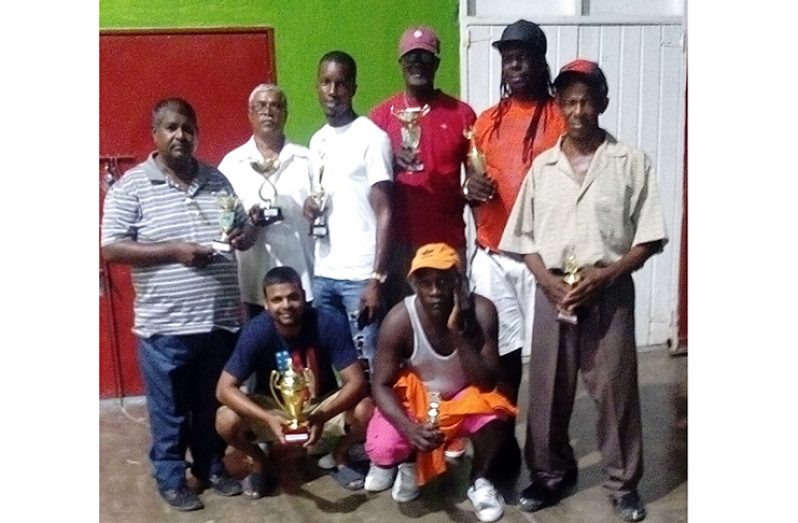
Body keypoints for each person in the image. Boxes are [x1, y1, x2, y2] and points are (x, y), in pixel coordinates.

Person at [500, 59, 668, 522]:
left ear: (603, 104)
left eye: (588, 100)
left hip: (608, 293)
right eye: (570, 101)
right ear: (558, 106)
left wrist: (606, 276)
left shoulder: (630, 163)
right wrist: (548, 282)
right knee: (547, 392)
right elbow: (523, 240)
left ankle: (623, 485)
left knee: (615, 393)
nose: (579, 110)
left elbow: (649, 237)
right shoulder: (542, 167)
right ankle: (549, 477)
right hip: (553, 292)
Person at [100, 98, 256, 511]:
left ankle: (210, 465)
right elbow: (112, 248)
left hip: (218, 320)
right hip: (165, 324)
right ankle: (170, 476)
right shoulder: (132, 185)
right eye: (171, 127)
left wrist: (245, 234)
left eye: (187, 128)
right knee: (169, 411)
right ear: (156, 134)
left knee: (209, 402)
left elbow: (241, 226)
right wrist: (175, 252)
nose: (180, 135)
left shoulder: (217, 179)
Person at [363, 243, 517, 523]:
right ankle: (409, 464)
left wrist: (456, 331)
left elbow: (486, 383)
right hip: (419, 397)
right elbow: (380, 384)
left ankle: (480, 480)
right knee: (382, 447)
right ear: (414, 284)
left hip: (463, 395)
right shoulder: (399, 319)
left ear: (459, 281)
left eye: (444, 281)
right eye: (426, 283)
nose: (435, 291)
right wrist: (408, 428)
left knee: (496, 411)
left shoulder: (482, 311)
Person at [463, 19, 566, 407]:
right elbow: (472, 181)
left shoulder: (561, 119)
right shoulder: (486, 122)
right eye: (508, 59)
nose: (515, 65)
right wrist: (469, 189)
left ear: (541, 62)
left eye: (523, 57)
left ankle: (547, 453)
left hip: (544, 261)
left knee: (549, 360)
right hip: (494, 256)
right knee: (500, 357)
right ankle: (500, 444)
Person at [215, 266, 372, 496]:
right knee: (225, 418)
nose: (286, 306)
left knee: (366, 409)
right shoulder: (256, 331)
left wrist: (322, 416)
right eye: (277, 300)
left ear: (304, 297)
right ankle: (260, 462)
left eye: (293, 297)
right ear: (266, 303)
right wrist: (267, 417)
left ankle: (339, 455)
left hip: (319, 405)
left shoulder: (326, 323)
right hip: (273, 409)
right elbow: (223, 389)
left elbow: (356, 382)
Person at [369, 25, 476, 307]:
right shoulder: (381, 117)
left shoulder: (461, 114)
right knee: (401, 325)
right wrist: (391, 161)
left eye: (425, 58)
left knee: (453, 324)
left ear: (437, 63)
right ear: (401, 63)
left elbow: (475, 178)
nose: (417, 64)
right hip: (398, 244)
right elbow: (370, 182)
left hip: (447, 240)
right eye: (411, 58)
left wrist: (470, 189)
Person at [303, 51, 393, 370]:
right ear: (317, 86)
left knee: (367, 367)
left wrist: (376, 279)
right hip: (325, 273)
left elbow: (385, 212)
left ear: (354, 88)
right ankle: (342, 423)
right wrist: (310, 209)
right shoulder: (317, 141)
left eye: (341, 84)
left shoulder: (372, 138)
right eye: (326, 82)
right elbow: (325, 199)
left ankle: (371, 422)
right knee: (336, 368)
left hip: (359, 277)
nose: (332, 91)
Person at [218, 84, 315, 320]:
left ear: (286, 114)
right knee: (260, 352)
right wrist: (244, 225)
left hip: (302, 281)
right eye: (261, 106)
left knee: (305, 354)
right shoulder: (232, 165)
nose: (268, 112)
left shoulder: (308, 159)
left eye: (275, 106)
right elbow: (223, 221)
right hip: (253, 284)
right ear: (250, 114)